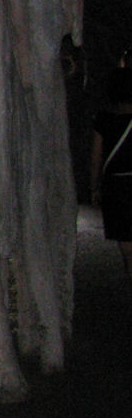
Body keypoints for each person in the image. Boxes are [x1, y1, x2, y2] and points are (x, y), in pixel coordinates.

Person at [91, 64, 132, 279]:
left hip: (116, 186)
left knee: (126, 240)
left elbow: (96, 156)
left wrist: (94, 187)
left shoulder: (104, 121)